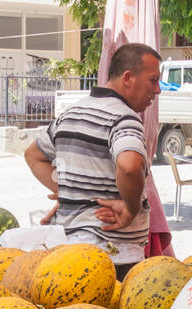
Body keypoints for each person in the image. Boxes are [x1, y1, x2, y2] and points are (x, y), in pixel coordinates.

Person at [24, 42, 161, 278]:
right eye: (153, 80)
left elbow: (33, 155)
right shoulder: (124, 119)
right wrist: (130, 208)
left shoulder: (70, 114)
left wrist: (71, 191)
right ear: (128, 77)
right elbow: (129, 166)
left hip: (70, 255)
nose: (158, 90)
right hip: (114, 259)